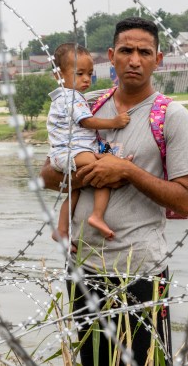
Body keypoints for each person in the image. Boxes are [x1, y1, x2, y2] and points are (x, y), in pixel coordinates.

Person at [40, 17, 188, 366]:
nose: (135, 60)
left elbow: (186, 201)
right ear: (111, 56)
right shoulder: (88, 107)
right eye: (127, 51)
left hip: (140, 271)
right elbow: (48, 175)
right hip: (84, 268)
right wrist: (94, 173)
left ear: (157, 60)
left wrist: (128, 170)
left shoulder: (171, 116)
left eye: (145, 52)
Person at [47, 43, 130, 241]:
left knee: (75, 190)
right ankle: (97, 216)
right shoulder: (72, 97)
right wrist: (114, 122)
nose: (86, 79)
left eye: (89, 74)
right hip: (74, 152)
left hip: (63, 154)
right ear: (59, 76)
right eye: (79, 74)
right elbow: (87, 121)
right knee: (104, 171)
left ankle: (61, 229)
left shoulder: (61, 98)